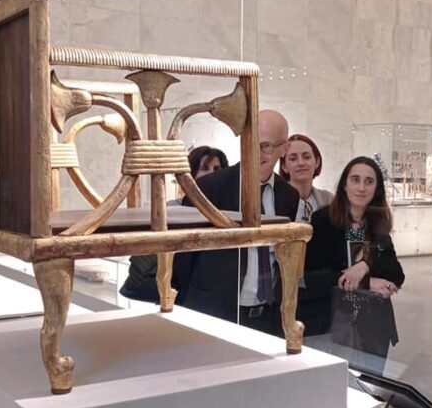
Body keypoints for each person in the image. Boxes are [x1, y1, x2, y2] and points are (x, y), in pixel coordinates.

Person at [171, 110, 299, 335]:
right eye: (251, 143)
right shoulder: (208, 188)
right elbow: (184, 255)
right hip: (213, 312)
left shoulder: (288, 195)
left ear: (284, 148)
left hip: (268, 317)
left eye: (266, 146)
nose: (256, 153)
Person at [304, 156, 405, 375]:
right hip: (332, 323)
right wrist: (366, 283)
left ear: (377, 188)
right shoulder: (323, 220)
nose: (361, 187)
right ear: (344, 184)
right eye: (355, 179)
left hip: (373, 325)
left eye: (369, 181)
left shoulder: (377, 223)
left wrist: (365, 265)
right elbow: (311, 277)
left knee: (367, 388)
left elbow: (396, 275)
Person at [120, 146, 228, 303]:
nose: (212, 174)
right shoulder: (171, 210)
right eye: (205, 168)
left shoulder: (227, 213)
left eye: (217, 169)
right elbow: (143, 266)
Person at [279, 134, 334, 222]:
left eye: (306, 157)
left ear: (317, 162)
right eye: (293, 159)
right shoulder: (274, 200)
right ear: (284, 166)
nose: (301, 163)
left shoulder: (329, 199)